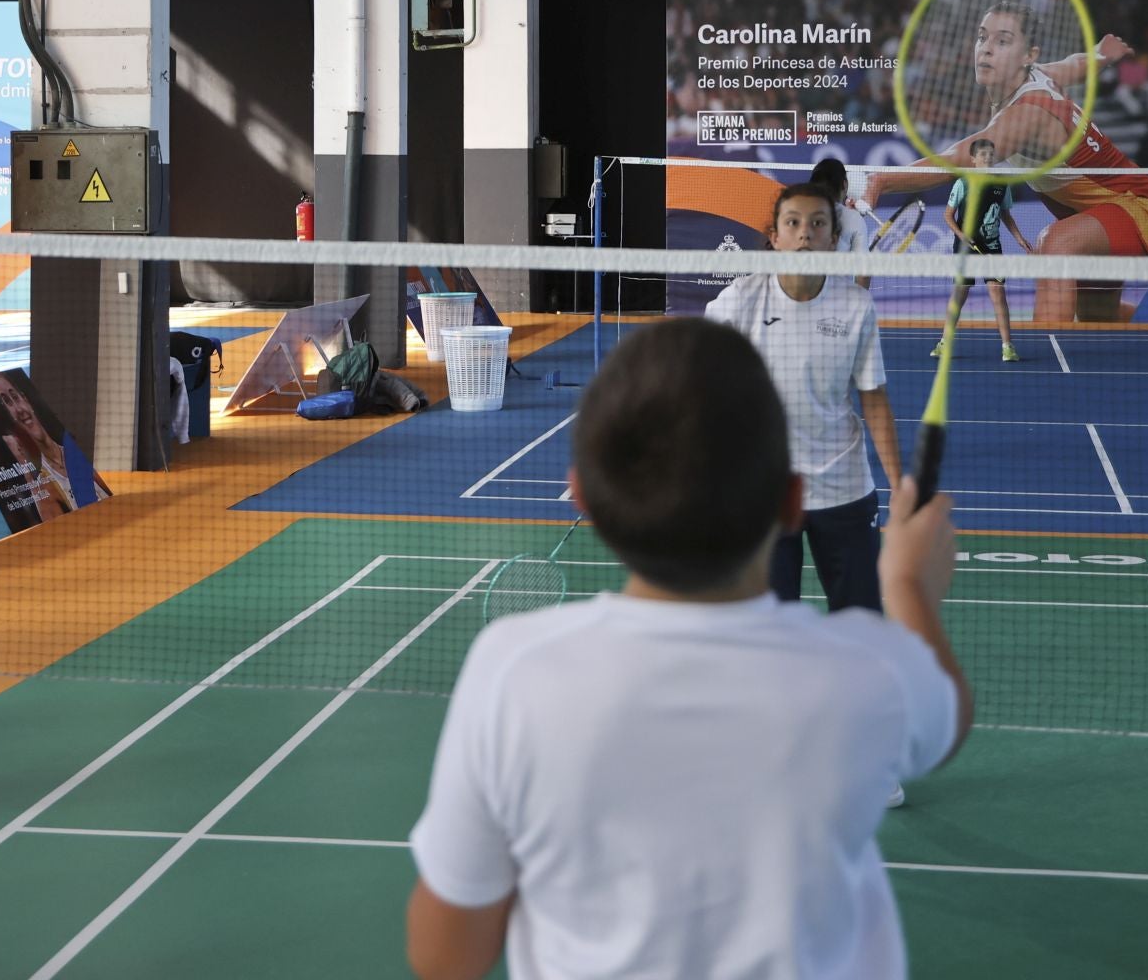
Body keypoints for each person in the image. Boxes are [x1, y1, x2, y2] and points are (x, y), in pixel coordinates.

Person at [405, 318, 969, 980]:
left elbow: (446, 956)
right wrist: (906, 584)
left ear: (583, 496)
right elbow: (947, 718)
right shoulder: (867, 673)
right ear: (794, 504)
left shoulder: (512, 673)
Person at [862, 17, 1148, 323]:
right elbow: (1077, 64)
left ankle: (1046, 371)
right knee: (1099, 316)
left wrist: (881, 180)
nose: (985, 49)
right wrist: (1101, 55)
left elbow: (961, 157)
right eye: (982, 37)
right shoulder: (1040, 74)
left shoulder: (1027, 114)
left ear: (1028, 56)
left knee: (1056, 244)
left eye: (1002, 41)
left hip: (1140, 209)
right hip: (1099, 221)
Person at [706, 184, 902, 617]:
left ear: (834, 239)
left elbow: (874, 400)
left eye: (818, 224)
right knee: (769, 630)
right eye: (792, 223)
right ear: (774, 236)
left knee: (861, 623)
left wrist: (900, 486)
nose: (805, 234)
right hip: (765, 493)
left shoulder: (856, 306)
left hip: (844, 489)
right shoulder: (740, 301)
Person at [938, 137, 1034, 362]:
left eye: (991, 154)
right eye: (983, 155)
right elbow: (948, 215)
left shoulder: (1001, 184)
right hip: (965, 247)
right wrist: (960, 234)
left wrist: (1019, 238)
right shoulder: (963, 183)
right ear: (973, 160)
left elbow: (1005, 214)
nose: (988, 158)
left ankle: (1007, 346)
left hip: (992, 246)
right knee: (959, 295)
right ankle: (944, 343)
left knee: (998, 294)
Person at [0, 369, 109, 512]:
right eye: (8, 402)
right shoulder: (44, 486)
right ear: (9, 415)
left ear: (26, 400)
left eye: (15, 397)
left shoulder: (73, 455)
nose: (19, 409)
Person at [810, 156, 867, 253]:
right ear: (845, 184)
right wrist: (851, 217)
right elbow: (862, 263)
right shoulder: (854, 219)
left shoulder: (796, 214)